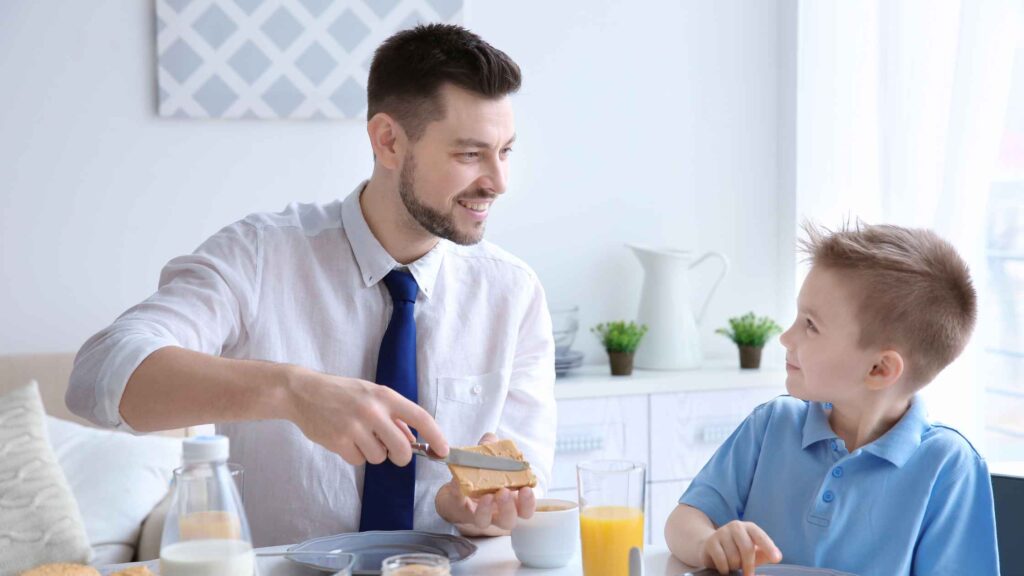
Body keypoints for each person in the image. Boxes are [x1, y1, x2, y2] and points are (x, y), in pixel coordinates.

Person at [66, 24, 556, 547]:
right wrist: (293, 392)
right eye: (469, 155)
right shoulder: (259, 257)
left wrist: (467, 508)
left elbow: (523, 486)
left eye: (504, 151)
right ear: (388, 141)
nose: (499, 182)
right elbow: (98, 378)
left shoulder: (513, 294)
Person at [664, 222, 1000, 575]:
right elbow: (684, 520)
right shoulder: (771, 425)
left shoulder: (948, 466)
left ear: (880, 369)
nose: (786, 337)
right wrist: (708, 543)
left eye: (810, 325)